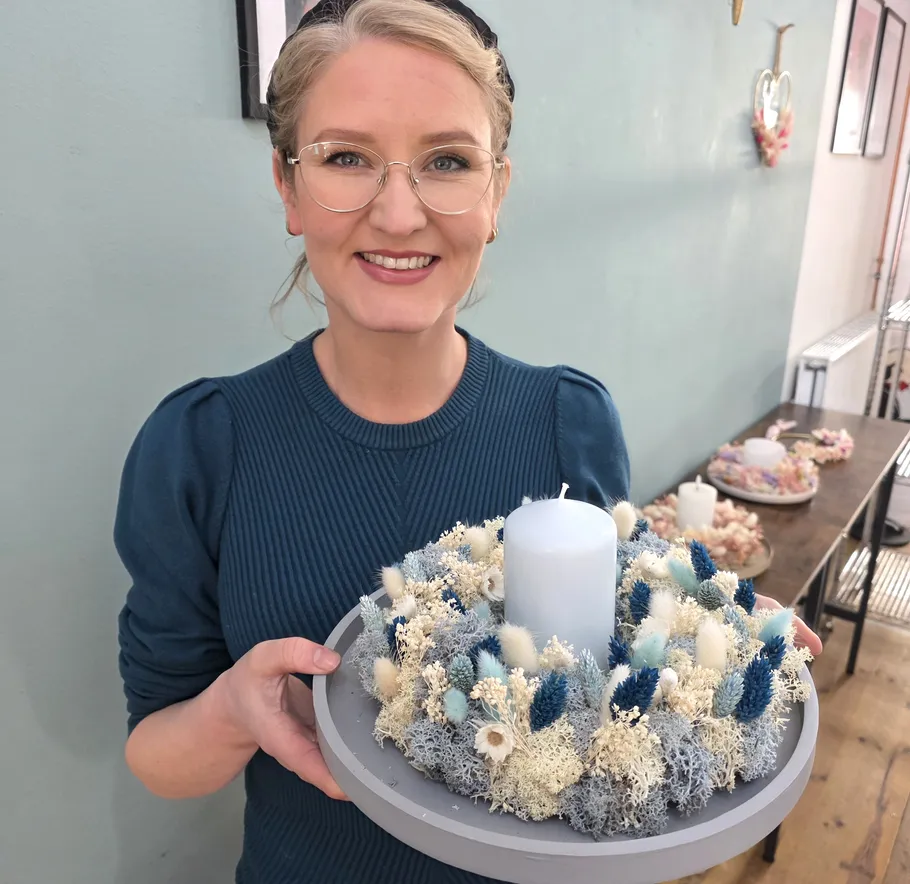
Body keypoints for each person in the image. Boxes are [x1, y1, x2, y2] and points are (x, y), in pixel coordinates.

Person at [114, 2, 822, 882]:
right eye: (346, 159)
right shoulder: (200, 448)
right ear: (288, 188)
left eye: (448, 161)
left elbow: (608, 693)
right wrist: (230, 710)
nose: (400, 213)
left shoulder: (570, 421)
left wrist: (699, 651)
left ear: (495, 194)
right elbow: (158, 753)